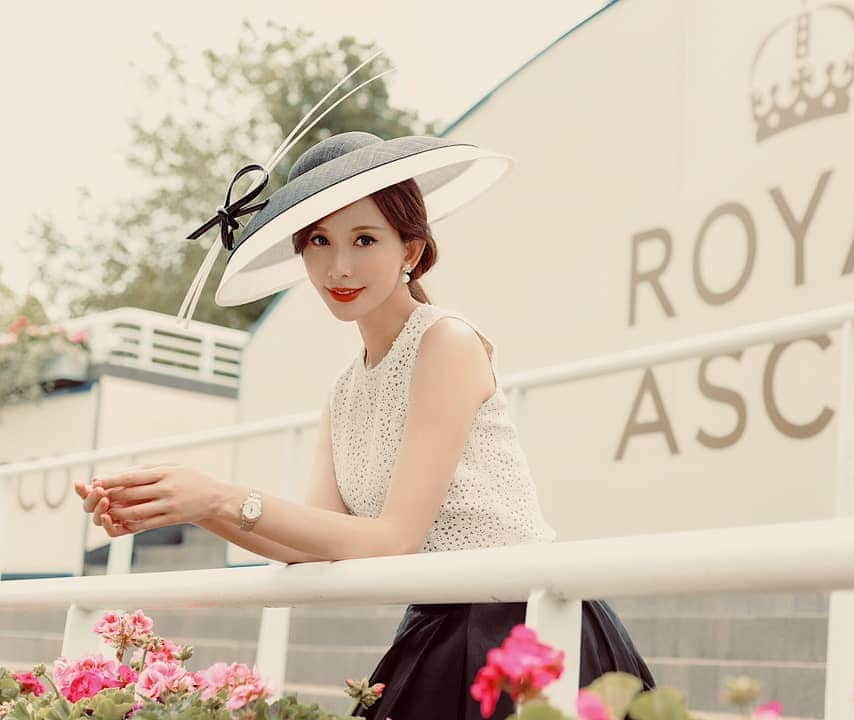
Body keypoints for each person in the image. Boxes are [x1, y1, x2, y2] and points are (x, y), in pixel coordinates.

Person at [73, 126, 655, 719]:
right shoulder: (345, 390)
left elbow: (394, 540)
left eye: (365, 238)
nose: (339, 266)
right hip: (441, 624)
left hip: (526, 626)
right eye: (319, 241)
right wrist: (193, 505)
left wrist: (222, 495)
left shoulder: (445, 342)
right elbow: (309, 544)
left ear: (410, 250)